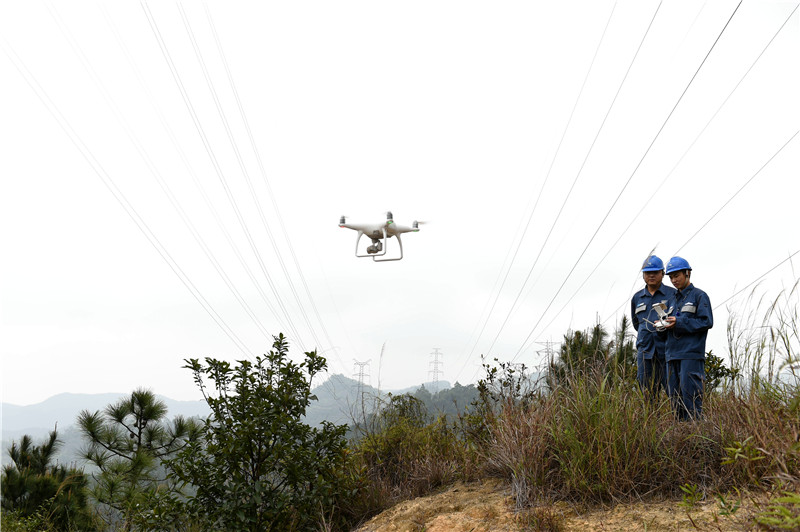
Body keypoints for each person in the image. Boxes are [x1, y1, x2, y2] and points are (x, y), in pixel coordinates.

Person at [662, 256, 713, 420]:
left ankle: (697, 437)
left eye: (677, 276)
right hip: (672, 355)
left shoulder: (699, 296)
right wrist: (662, 325)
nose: (673, 280)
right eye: (671, 277)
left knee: (691, 399)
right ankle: (680, 437)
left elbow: (706, 322)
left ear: (687, 273)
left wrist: (680, 322)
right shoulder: (671, 300)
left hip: (690, 355)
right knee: (675, 401)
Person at [630, 255, 675, 397]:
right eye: (647, 272)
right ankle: (651, 419)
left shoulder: (673, 294)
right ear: (643, 275)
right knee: (647, 393)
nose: (651, 275)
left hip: (667, 351)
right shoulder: (637, 298)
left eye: (655, 272)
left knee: (673, 391)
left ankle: (678, 419)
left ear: (662, 273)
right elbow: (637, 324)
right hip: (645, 353)